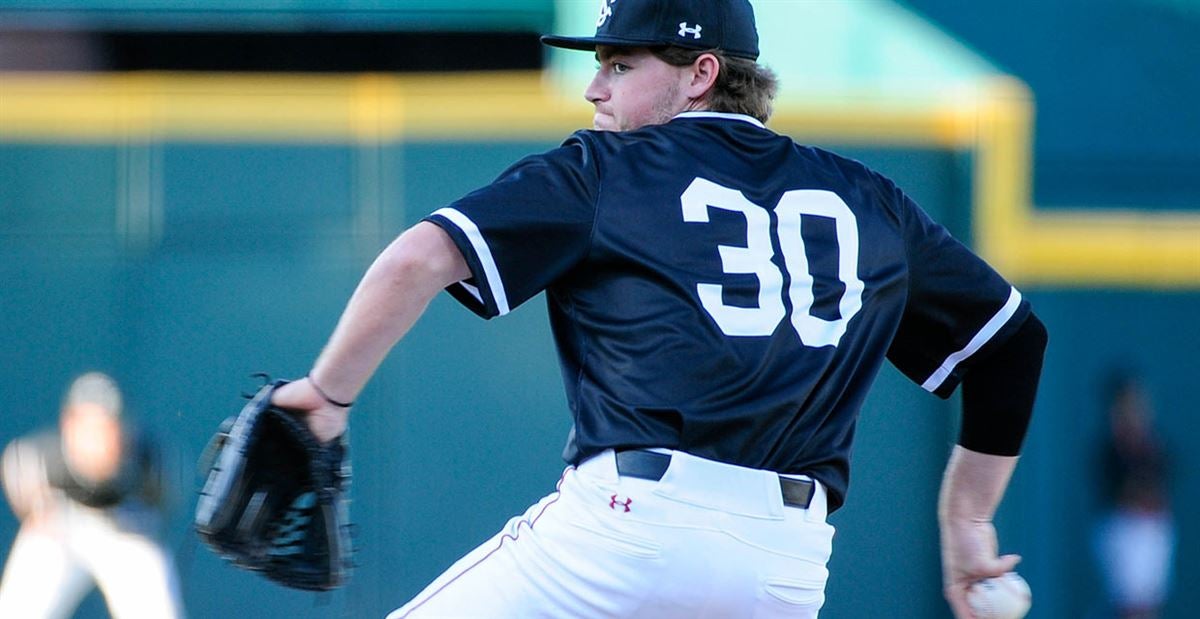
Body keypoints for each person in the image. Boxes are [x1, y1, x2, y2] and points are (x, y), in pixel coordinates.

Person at [269, 0, 1049, 616]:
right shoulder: (870, 198)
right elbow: (1013, 343)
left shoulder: (606, 168)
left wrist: (327, 396)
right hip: (784, 566)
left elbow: (417, 257)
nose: (594, 87)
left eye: (619, 63)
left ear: (701, 72)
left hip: (625, 534)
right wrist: (968, 518)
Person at [0, 372, 185, 618]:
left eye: (106, 426)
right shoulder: (46, 456)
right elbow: (15, 465)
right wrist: (35, 512)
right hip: (61, 527)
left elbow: (162, 499)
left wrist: (141, 523)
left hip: (124, 529)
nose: (96, 437)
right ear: (69, 424)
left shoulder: (149, 461)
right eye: (87, 424)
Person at [1093, 372, 1175, 618]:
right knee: (1131, 605)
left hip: (1155, 525)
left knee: (1149, 604)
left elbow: (1165, 477)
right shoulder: (1111, 447)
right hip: (1125, 528)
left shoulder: (1153, 441)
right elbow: (1117, 489)